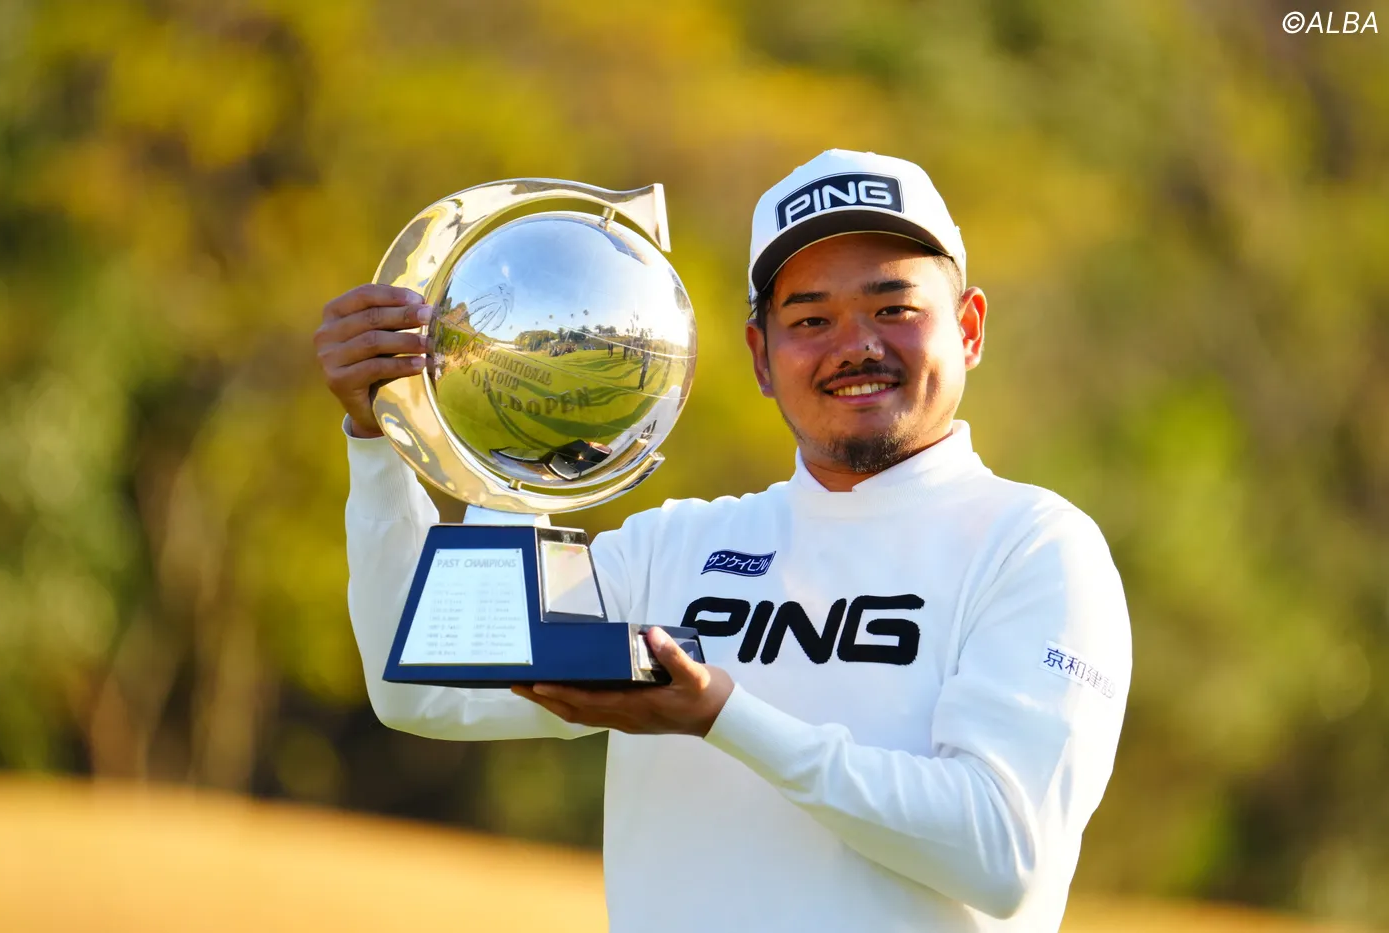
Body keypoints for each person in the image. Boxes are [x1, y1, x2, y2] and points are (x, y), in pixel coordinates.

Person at [315, 149, 1131, 932]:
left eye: (894, 309)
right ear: (761, 356)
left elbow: (1002, 851)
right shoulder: (675, 545)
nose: (857, 345)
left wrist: (723, 717)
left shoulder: (1036, 547)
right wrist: (378, 436)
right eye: (811, 319)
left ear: (969, 327)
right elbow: (425, 689)